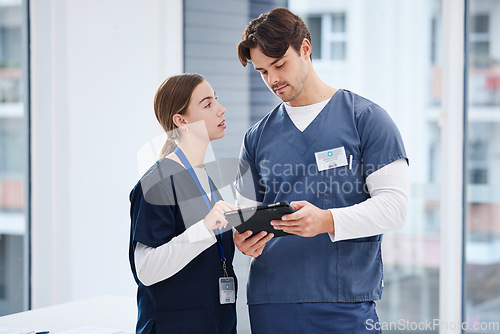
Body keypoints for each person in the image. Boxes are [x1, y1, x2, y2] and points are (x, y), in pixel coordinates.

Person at [233, 8, 409, 333]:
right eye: (262, 71)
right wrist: (244, 241)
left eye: (279, 64)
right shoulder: (256, 138)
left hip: (345, 303)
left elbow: (395, 208)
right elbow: (246, 213)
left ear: (305, 48)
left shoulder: (366, 120)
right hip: (272, 302)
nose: (272, 79)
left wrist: (326, 220)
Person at [128, 74, 239, 334]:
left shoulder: (205, 178)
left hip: (216, 322)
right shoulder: (156, 183)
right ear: (181, 120)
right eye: (207, 104)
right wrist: (205, 228)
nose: (221, 109)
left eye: (217, 101)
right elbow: (146, 269)